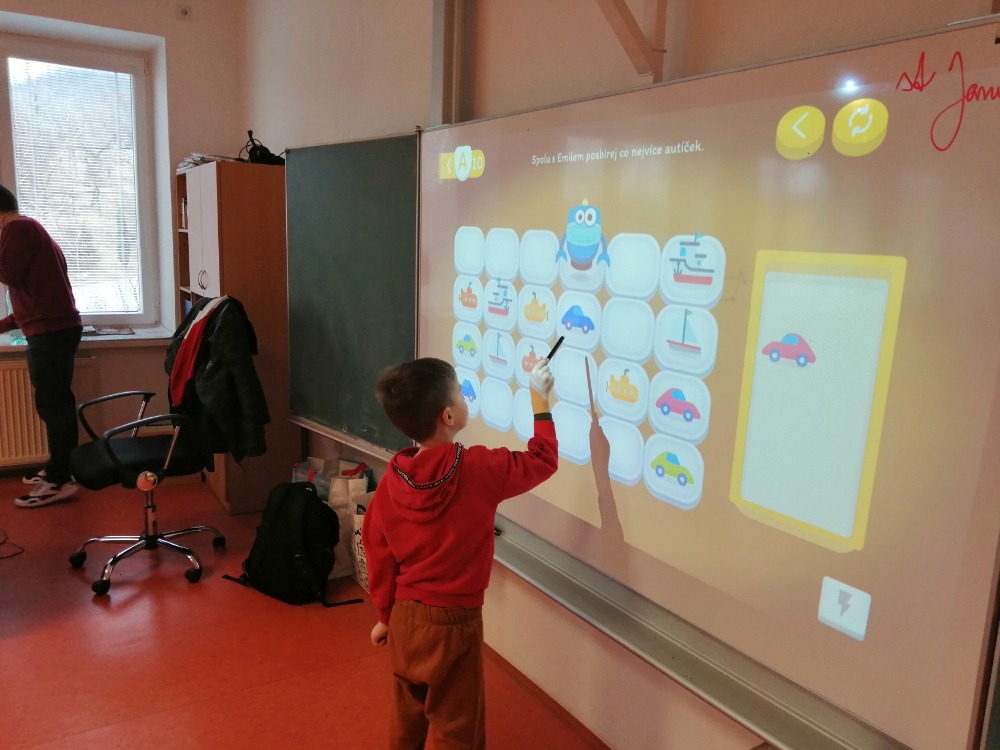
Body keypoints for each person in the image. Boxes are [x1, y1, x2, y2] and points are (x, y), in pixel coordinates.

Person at [362, 356, 558, 749]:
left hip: (405, 618)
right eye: (461, 394)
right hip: (455, 623)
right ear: (448, 416)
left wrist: (385, 616)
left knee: (406, 717)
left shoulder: (392, 481)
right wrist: (540, 400)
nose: (466, 399)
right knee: (458, 726)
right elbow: (542, 459)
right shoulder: (480, 467)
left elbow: (378, 554)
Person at [0, 185, 83, 508]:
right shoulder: (30, 230)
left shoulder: (18, 229)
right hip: (54, 330)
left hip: (51, 333)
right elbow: (35, 298)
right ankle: (60, 468)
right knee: (56, 404)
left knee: (53, 406)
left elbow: (8, 274)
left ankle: (59, 481)